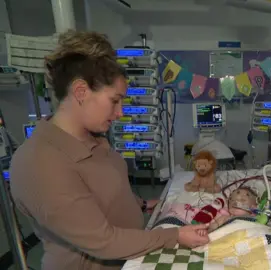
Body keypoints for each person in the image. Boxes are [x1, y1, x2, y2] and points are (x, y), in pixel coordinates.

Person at [9, 30, 210, 270]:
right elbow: (103, 241)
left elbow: (104, 191)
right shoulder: (39, 162)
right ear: (81, 92)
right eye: (114, 100)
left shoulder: (94, 140)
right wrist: (174, 236)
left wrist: (143, 205)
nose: (120, 113)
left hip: (129, 257)